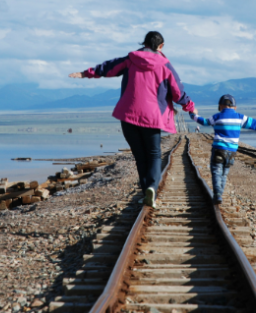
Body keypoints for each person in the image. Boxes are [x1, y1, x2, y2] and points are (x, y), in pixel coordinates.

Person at [69, 31, 195, 209]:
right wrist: (189, 106)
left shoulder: (130, 59)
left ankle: (146, 192)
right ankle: (151, 188)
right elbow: (177, 92)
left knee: (140, 157)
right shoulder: (165, 65)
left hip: (128, 116)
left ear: (143, 43)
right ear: (161, 46)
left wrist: (85, 73)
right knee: (153, 155)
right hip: (152, 118)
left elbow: (108, 68)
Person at [190, 94, 256, 205]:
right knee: (224, 173)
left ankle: (217, 194)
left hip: (219, 149)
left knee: (216, 172)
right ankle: (220, 194)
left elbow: (203, 122)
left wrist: (193, 114)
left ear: (220, 106)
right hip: (231, 152)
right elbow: (255, 124)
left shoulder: (217, 117)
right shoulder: (240, 117)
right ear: (235, 107)